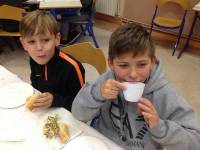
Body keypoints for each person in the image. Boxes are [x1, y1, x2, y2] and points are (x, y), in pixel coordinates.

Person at [72, 23, 200, 150]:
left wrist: (160, 127)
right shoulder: (106, 81)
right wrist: (97, 94)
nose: (133, 74)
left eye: (142, 64)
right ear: (111, 63)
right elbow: (77, 113)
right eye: (123, 65)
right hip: (101, 143)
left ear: (152, 62)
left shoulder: (165, 94)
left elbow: (195, 141)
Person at [20, 10, 85, 111]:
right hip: (43, 113)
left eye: (45, 40)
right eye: (31, 41)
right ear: (23, 44)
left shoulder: (72, 67)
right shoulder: (34, 58)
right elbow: (35, 83)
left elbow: (82, 104)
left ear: (57, 39)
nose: (39, 48)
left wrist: (54, 100)